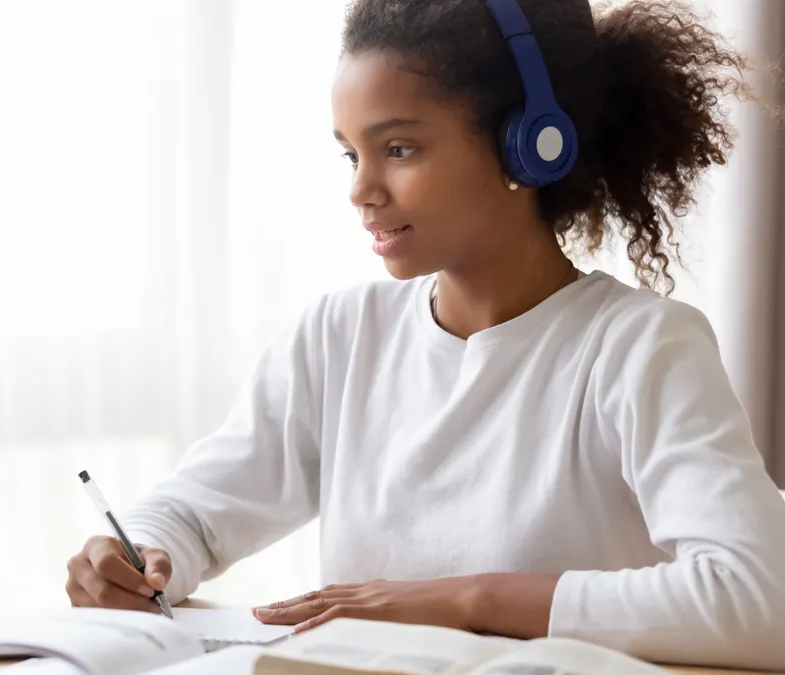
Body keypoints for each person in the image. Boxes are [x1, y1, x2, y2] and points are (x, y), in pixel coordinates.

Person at [64, 0, 785, 669]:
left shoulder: (640, 347)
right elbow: (193, 511)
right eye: (352, 154)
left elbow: (762, 599)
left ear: (530, 145)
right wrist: (142, 552)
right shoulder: (341, 337)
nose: (361, 189)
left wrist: (466, 600)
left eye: (399, 149)